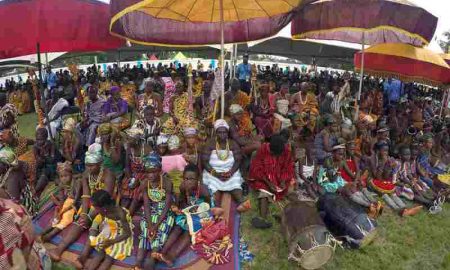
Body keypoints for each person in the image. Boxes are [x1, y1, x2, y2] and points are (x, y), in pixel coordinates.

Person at [48, 145, 116, 261]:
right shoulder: (86, 174)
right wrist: (84, 214)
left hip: (105, 205)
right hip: (91, 203)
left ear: (100, 163)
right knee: (80, 222)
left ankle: (83, 257)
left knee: (96, 226)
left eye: (92, 165)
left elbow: (105, 198)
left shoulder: (108, 175)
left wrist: (90, 216)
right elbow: (86, 195)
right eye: (87, 165)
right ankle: (59, 249)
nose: (89, 168)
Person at [155, 164, 212, 266]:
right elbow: (182, 201)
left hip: (201, 214)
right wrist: (177, 208)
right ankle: (161, 252)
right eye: (186, 178)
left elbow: (208, 207)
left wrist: (197, 210)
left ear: (198, 179)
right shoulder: (183, 187)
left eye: (191, 179)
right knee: (177, 228)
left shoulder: (204, 191)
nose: (188, 181)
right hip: (188, 211)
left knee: (188, 233)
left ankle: (172, 256)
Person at [130, 152, 175, 270]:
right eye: (148, 172)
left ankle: (152, 258)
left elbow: (167, 205)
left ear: (159, 170)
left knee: (161, 230)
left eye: (153, 171)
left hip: (164, 212)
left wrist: (155, 226)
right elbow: (146, 204)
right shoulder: (145, 183)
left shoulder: (166, 183)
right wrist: (150, 225)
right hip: (151, 211)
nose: (151, 175)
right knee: (145, 231)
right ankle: (138, 263)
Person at [75, 190, 133, 270]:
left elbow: (127, 233)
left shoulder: (121, 214)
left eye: (96, 208)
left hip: (122, 233)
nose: (95, 210)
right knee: (101, 252)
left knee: (109, 257)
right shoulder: (103, 211)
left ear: (104, 207)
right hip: (110, 227)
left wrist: (111, 241)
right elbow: (101, 220)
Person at [202, 119, 250, 212]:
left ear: (227, 133)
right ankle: (216, 206)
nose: (222, 134)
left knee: (235, 184)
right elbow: (205, 162)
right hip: (213, 171)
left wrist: (231, 173)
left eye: (224, 132)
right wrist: (216, 174)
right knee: (212, 186)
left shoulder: (233, 143)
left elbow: (237, 161)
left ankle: (241, 203)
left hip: (230, 170)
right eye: (220, 132)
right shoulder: (210, 143)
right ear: (216, 133)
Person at [248, 134, 295, 229]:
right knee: (263, 193)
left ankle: (288, 214)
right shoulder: (263, 150)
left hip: (279, 178)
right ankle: (263, 219)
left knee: (291, 190)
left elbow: (288, 168)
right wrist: (269, 183)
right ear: (270, 148)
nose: (276, 156)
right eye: (274, 154)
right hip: (264, 179)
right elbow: (256, 170)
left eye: (278, 154)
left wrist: (283, 180)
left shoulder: (286, 151)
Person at [40, 161, 81, 242]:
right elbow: (62, 201)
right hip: (67, 204)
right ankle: (43, 232)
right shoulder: (62, 185)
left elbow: (76, 200)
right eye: (61, 176)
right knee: (56, 217)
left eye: (66, 175)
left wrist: (63, 210)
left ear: (71, 174)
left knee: (66, 218)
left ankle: (50, 235)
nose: (64, 178)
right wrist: (58, 207)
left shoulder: (77, 183)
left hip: (76, 204)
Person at [121, 127, 152, 208]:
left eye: (129, 139)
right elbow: (127, 167)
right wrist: (131, 179)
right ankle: (124, 210)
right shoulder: (129, 149)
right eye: (127, 139)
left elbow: (151, 169)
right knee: (127, 190)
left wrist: (138, 180)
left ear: (137, 140)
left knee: (138, 192)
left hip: (146, 174)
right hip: (133, 175)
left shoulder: (147, 149)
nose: (127, 141)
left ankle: (130, 212)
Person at [0, 145, 35, 215]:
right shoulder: (8, 172)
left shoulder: (12, 179)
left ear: (5, 165)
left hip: (23, 211)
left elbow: (14, 204)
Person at [34, 128, 61, 195]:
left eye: (41, 139)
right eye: (37, 139)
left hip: (54, 165)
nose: (39, 142)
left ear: (46, 138)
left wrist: (45, 152)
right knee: (40, 173)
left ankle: (36, 190)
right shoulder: (35, 147)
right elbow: (38, 161)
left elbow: (52, 160)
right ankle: (35, 190)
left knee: (49, 173)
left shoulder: (51, 144)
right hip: (44, 166)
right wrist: (40, 159)